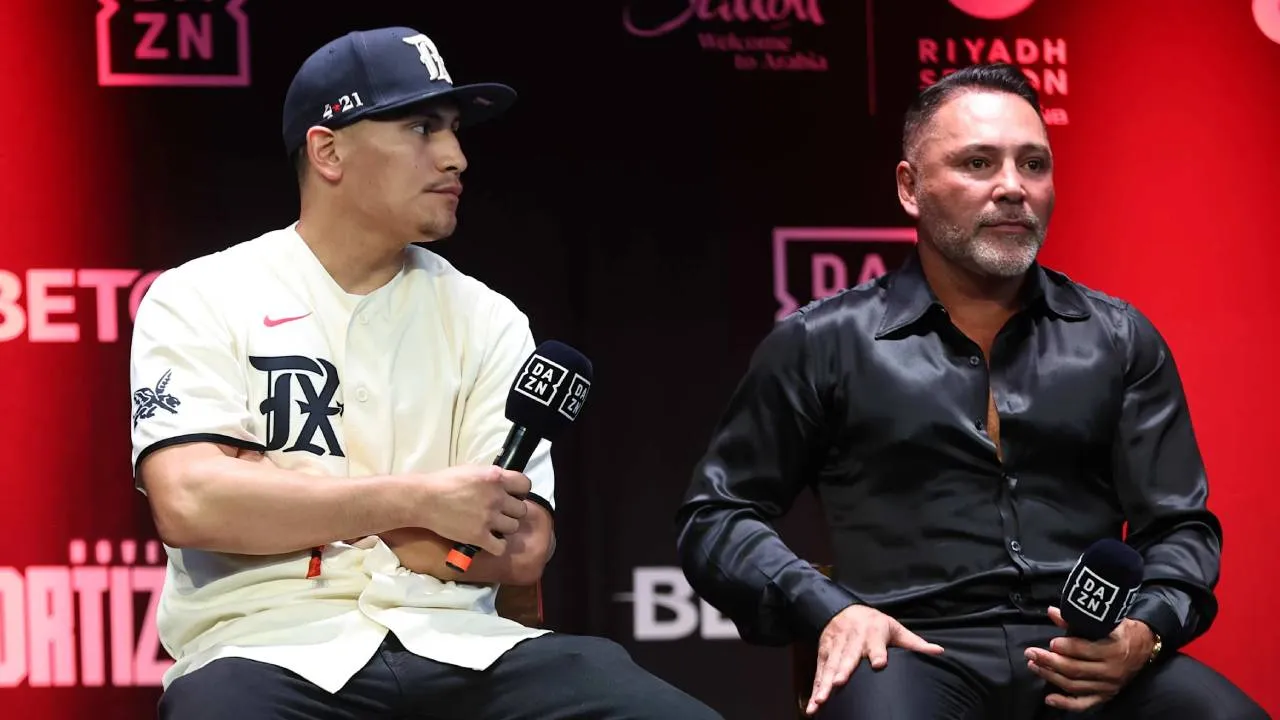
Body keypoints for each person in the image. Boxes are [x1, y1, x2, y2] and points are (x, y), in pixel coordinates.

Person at [129, 25, 722, 720]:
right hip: (270, 648)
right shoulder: (201, 295)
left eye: (454, 130)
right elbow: (191, 503)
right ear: (328, 151)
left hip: (462, 645)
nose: (455, 157)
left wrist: (282, 497)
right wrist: (419, 503)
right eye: (420, 128)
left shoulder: (485, 317)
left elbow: (522, 547)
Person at [674, 63, 1268, 720]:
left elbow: (1180, 527)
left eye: (1033, 164)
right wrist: (830, 610)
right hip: (907, 649)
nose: (1012, 187)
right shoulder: (821, 342)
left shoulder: (1120, 338)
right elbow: (716, 516)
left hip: (1087, 656)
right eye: (978, 163)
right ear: (910, 187)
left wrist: (1144, 631)